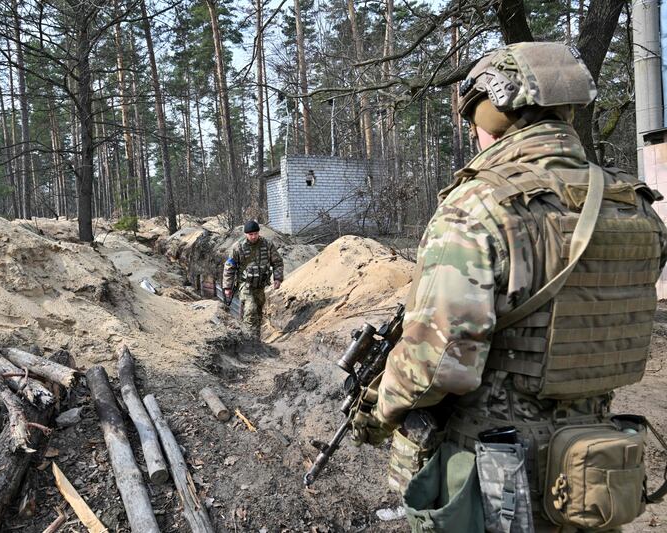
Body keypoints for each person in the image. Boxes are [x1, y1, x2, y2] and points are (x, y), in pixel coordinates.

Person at [351, 42, 667, 532]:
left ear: (490, 113)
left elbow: (437, 366)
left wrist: (378, 412)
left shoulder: (477, 208)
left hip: (499, 476)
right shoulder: (637, 208)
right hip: (597, 470)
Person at [222, 220, 284, 339]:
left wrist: (278, 278)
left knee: (259, 312)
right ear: (246, 234)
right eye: (251, 234)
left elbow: (278, 262)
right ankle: (250, 340)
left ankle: (256, 339)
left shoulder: (267, 245)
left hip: (261, 284)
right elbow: (229, 267)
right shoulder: (238, 247)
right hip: (245, 284)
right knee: (250, 310)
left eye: (256, 233)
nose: (254, 236)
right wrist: (227, 287)